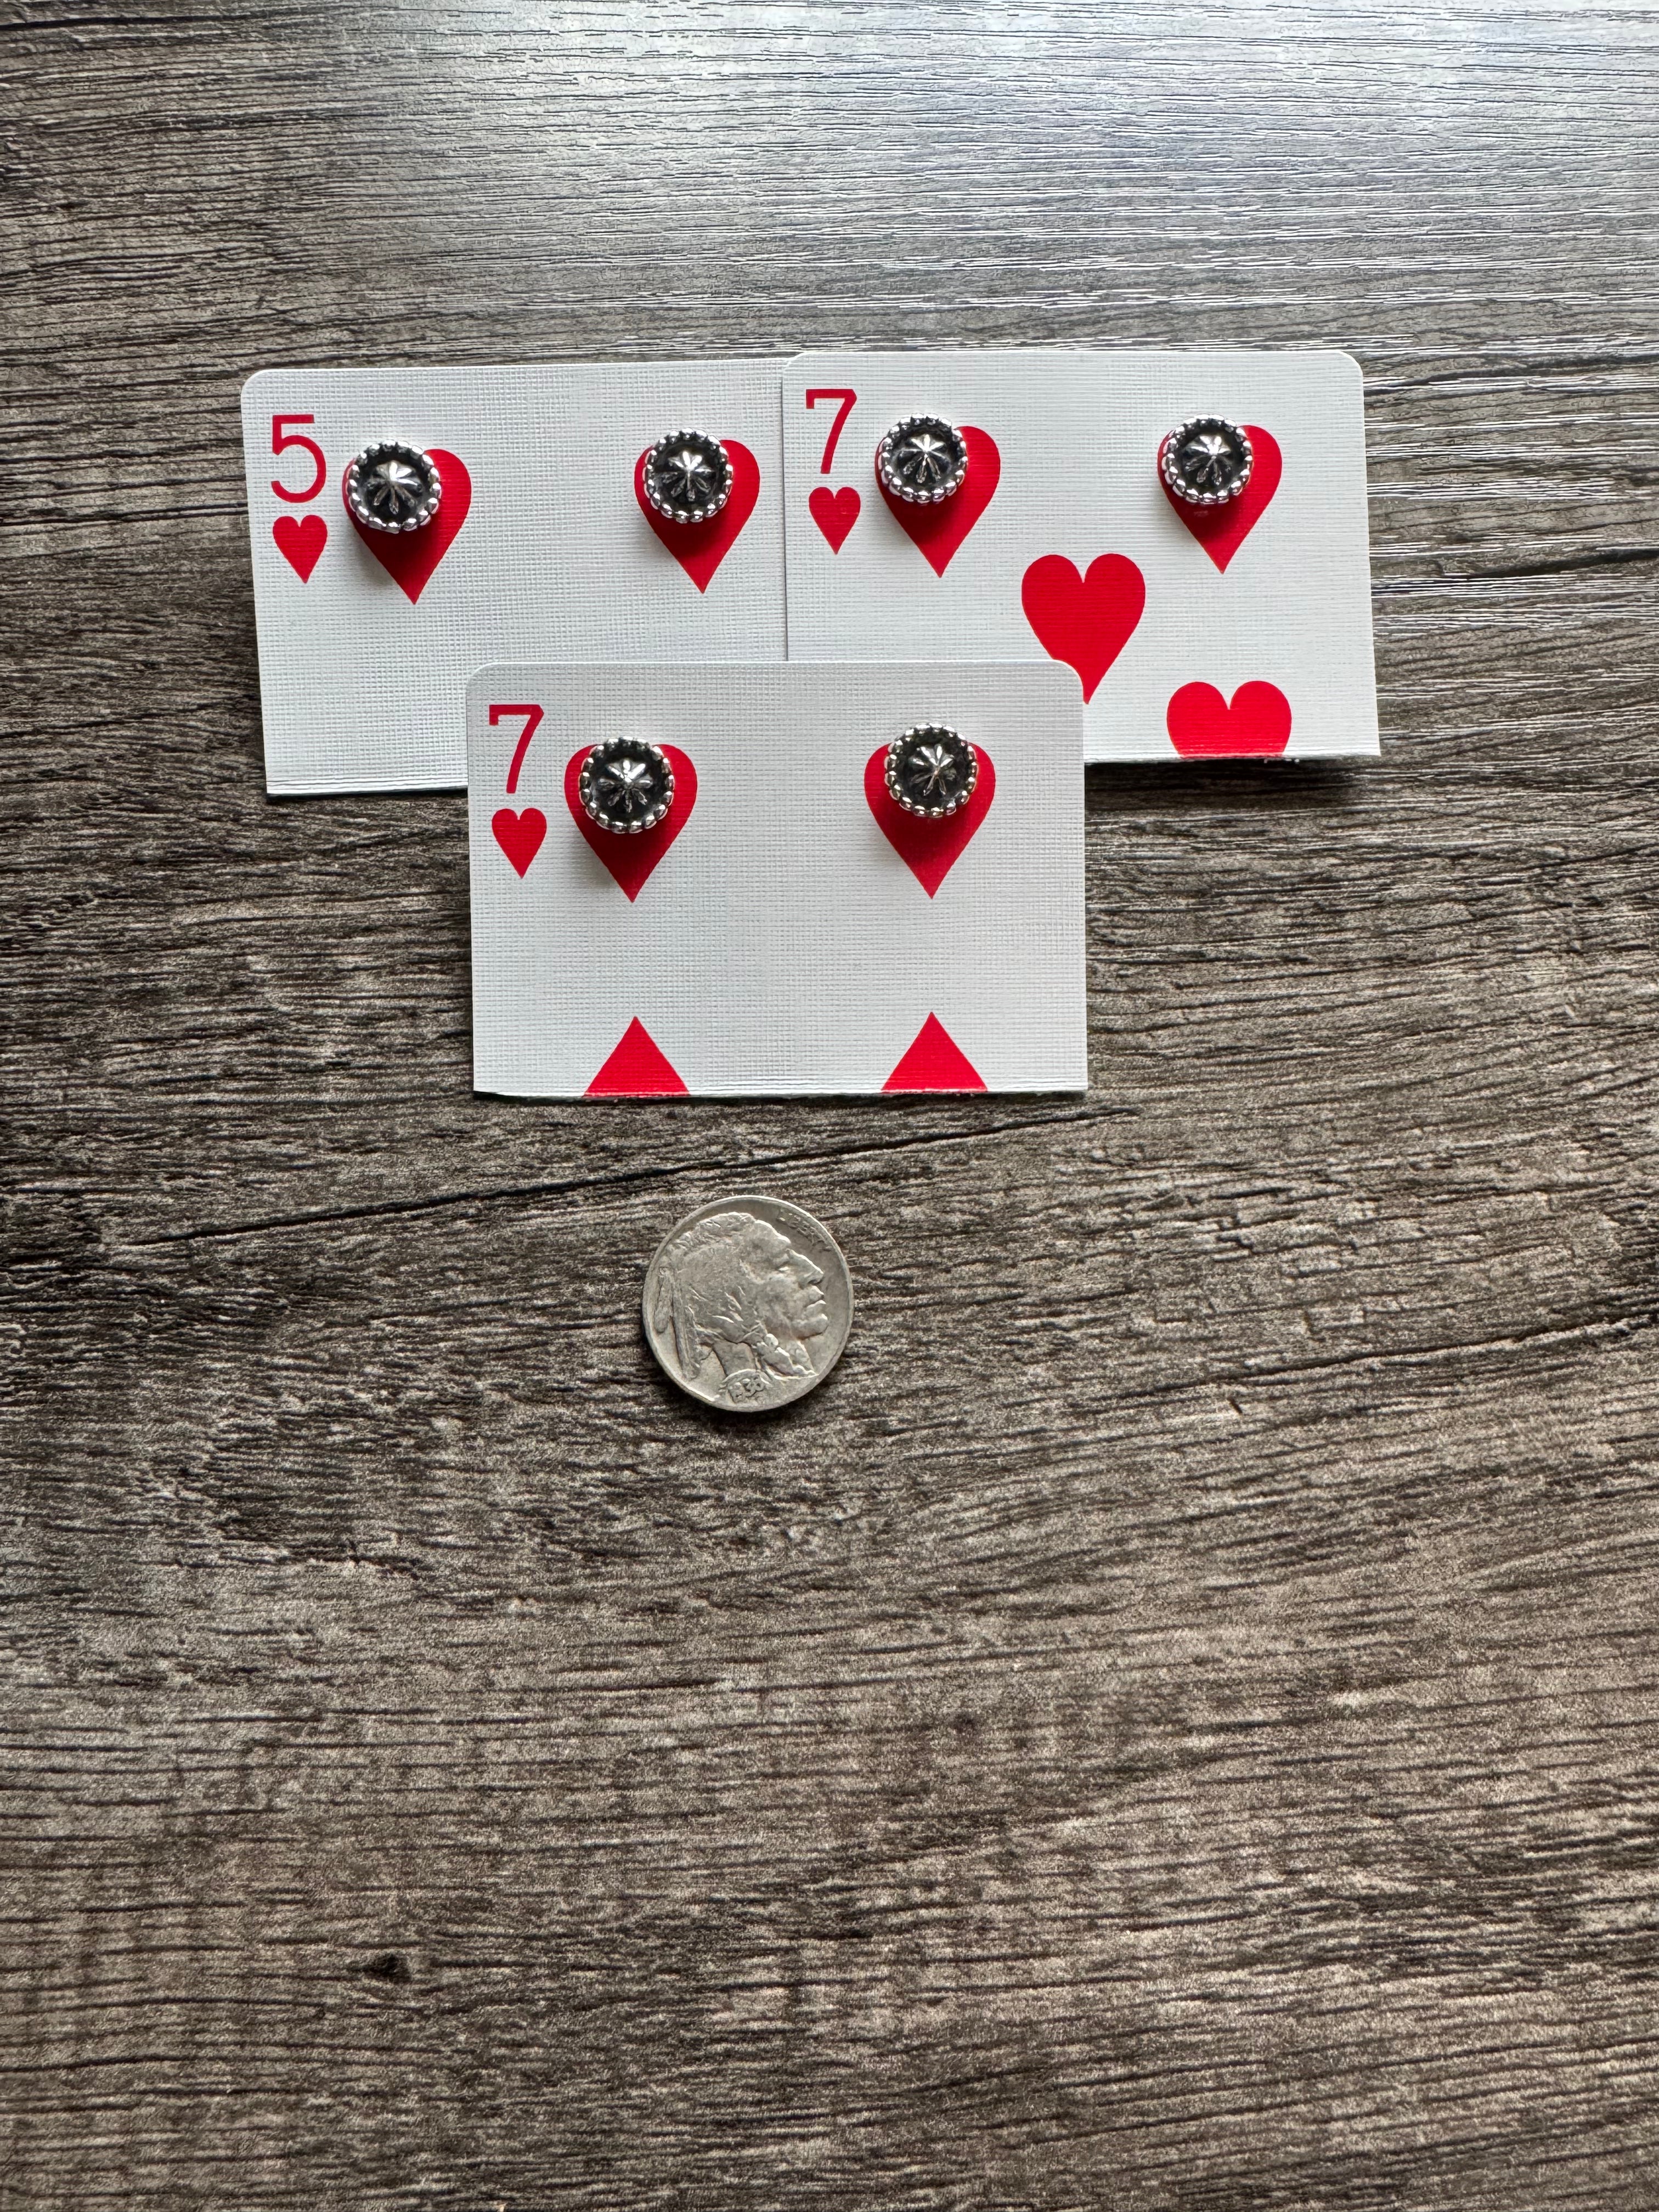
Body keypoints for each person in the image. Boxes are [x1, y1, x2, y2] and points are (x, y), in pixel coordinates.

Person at [651, 1211, 830, 1407]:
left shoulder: (785, 1379)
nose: (815, 1273)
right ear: (730, 1309)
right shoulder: (755, 1398)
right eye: (782, 1262)